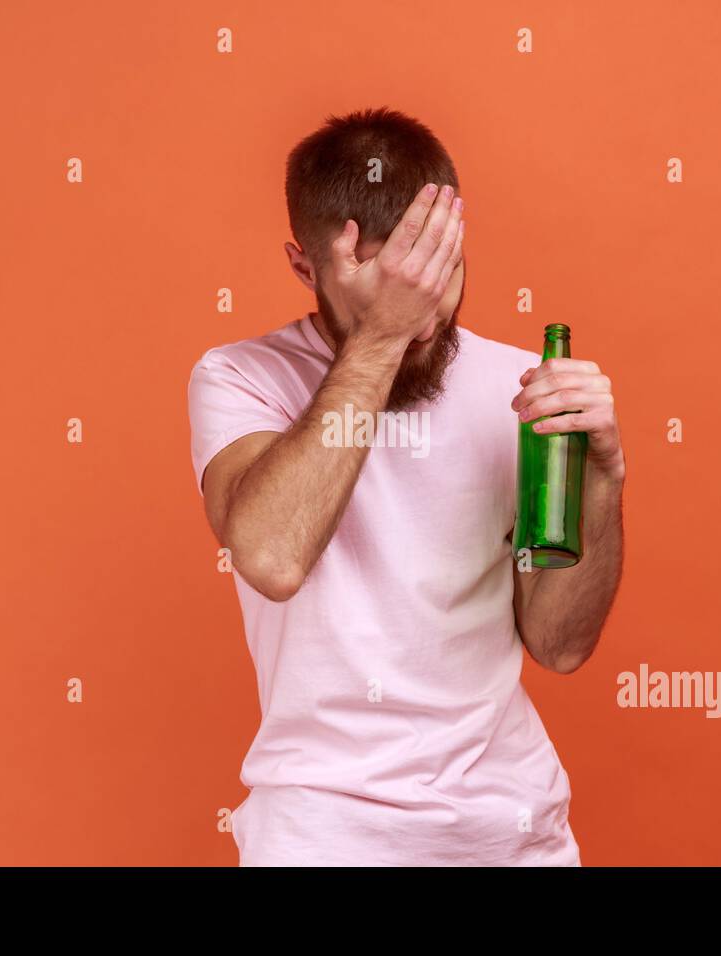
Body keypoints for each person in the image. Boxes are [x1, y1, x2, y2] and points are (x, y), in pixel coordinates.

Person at [187, 107, 625, 866]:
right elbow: (271, 557)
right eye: (392, 282)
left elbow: (559, 645)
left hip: (514, 831)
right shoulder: (241, 378)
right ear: (305, 267)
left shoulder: (515, 389)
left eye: (440, 271)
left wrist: (604, 484)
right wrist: (380, 338)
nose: (424, 314)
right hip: (325, 835)